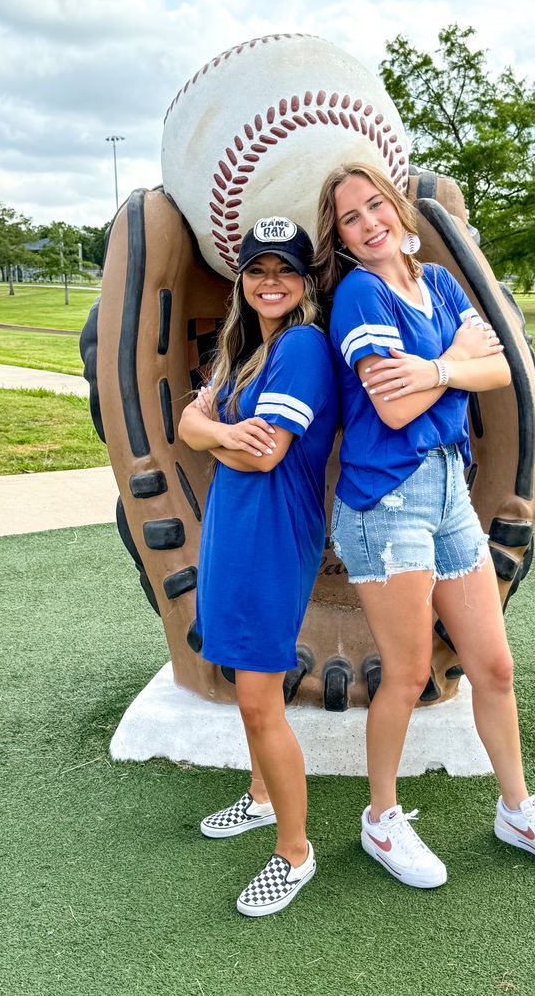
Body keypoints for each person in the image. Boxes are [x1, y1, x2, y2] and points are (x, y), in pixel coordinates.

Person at [315, 162, 535, 888]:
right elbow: (394, 408)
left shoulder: (435, 283)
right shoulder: (359, 292)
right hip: (387, 501)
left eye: (377, 203)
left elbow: (499, 370)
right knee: (405, 673)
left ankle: (518, 808)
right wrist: (454, 365)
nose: (370, 221)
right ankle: (380, 820)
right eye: (351, 216)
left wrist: (433, 370)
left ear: (398, 205)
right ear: (340, 237)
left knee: (492, 665)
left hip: (447, 494)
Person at [178, 217, 337, 917]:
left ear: (304, 283)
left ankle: (295, 850)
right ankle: (261, 794)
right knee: (246, 678)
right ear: (242, 279)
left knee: (257, 696)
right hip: (235, 530)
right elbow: (192, 423)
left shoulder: (302, 345)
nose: (270, 282)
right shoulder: (246, 349)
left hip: (272, 534)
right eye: (257, 269)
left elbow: (265, 453)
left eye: (285, 270)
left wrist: (209, 433)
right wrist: (215, 431)